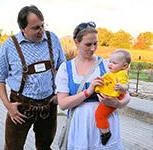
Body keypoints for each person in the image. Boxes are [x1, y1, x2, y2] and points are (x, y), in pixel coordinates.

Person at [0, 5, 66, 150]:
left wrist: (60, 95)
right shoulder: (9, 45)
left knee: (45, 147)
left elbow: (64, 71)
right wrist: (8, 105)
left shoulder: (52, 39)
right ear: (22, 28)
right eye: (36, 28)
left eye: (42, 25)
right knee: (13, 147)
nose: (41, 31)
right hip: (20, 107)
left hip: (49, 106)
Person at [55, 21, 130, 149]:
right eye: (88, 44)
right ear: (76, 43)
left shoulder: (107, 65)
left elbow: (126, 94)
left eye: (95, 43)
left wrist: (118, 104)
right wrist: (88, 91)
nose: (93, 48)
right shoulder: (66, 68)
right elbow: (62, 104)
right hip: (80, 126)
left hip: (106, 124)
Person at [95, 49, 131, 145]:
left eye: (114, 63)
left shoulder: (122, 74)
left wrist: (121, 87)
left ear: (124, 66)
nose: (110, 64)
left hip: (115, 98)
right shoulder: (115, 72)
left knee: (100, 115)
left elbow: (125, 87)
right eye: (110, 61)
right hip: (111, 96)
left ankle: (106, 133)